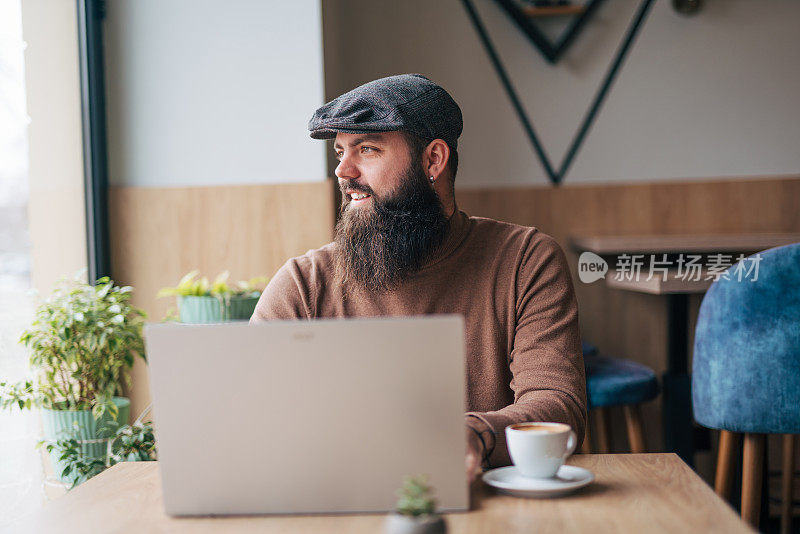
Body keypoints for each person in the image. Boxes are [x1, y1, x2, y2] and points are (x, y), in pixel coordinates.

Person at [250, 74, 586, 482]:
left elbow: (557, 403)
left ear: (433, 160)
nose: (343, 170)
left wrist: (476, 435)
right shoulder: (303, 284)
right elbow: (251, 411)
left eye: (366, 149)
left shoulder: (525, 260)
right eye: (339, 151)